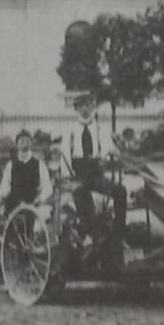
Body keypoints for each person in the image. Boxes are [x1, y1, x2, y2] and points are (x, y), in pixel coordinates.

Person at [64, 93, 126, 237]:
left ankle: (118, 232)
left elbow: (109, 148)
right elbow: (65, 153)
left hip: (96, 173)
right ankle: (89, 234)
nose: (85, 109)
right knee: (82, 196)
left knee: (120, 191)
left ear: (92, 107)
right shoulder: (70, 129)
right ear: (76, 109)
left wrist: (113, 154)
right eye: (81, 106)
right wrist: (67, 177)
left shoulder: (100, 128)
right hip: (79, 174)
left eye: (88, 105)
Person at [0, 130, 52, 217]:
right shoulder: (10, 165)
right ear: (17, 145)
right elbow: (4, 188)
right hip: (14, 208)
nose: (25, 145)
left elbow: (47, 187)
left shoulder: (40, 165)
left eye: (27, 141)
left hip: (34, 206)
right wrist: (12, 200)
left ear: (31, 144)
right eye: (22, 142)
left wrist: (39, 199)